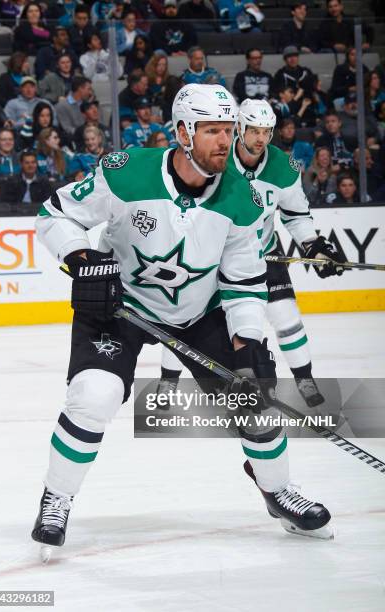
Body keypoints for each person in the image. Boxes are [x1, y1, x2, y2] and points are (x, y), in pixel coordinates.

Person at [33, 84, 334, 560]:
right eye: (211, 130)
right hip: (121, 305)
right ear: (181, 132)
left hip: (200, 311)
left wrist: (248, 339)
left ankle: (277, 489)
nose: (223, 140)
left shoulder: (245, 200)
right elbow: (54, 216)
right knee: (94, 395)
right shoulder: (128, 172)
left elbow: (243, 281)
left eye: (228, 130)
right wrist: (82, 256)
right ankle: (57, 498)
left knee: (254, 396)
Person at [157, 99, 345, 412]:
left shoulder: (283, 168)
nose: (261, 138)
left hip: (264, 254)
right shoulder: (216, 159)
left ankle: (304, 378)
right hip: (213, 254)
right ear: (240, 129)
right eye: (254, 130)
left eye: (267, 132)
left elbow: (296, 215)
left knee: (287, 320)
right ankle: (168, 377)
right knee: (185, 316)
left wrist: (312, 245)